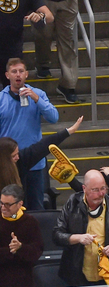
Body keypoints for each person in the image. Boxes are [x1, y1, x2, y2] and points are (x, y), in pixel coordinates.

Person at [53, 169, 109, 286]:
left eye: (103, 188)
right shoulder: (72, 204)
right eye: (95, 190)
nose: (101, 193)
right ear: (84, 189)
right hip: (77, 275)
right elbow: (56, 235)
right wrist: (77, 238)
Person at [0, 59, 59, 210]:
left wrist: (36, 99)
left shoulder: (38, 94)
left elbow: (54, 117)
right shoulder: (1, 98)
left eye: (21, 71)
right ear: (7, 75)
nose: (18, 75)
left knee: (36, 207)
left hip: (34, 163)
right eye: (14, 71)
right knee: (10, 208)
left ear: (26, 74)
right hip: (9, 165)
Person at [0, 184, 42, 287]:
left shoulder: (30, 222)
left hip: (23, 277)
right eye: (1, 203)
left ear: (20, 204)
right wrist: (10, 250)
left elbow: (37, 251)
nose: (3, 208)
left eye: (8, 205)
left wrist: (21, 248)